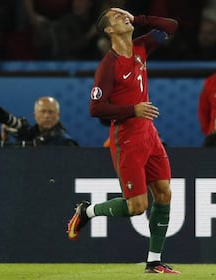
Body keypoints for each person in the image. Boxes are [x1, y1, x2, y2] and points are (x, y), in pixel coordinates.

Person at [67, 8, 180, 274]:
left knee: (164, 192)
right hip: (126, 138)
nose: (124, 17)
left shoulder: (142, 47)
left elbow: (172, 25)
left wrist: (138, 18)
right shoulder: (109, 65)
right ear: (108, 30)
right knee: (137, 206)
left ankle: (154, 261)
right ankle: (87, 211)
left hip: (149, 134)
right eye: (117, 17)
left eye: (124, 14)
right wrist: (133, 109)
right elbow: (96, 108)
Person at [0, 96, 78, 146]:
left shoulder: (65, 142)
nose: (46, 116)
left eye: (51, 112)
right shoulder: (27, 136)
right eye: (43, 112)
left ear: (58, 115)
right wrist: (4, 139)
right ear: (35, 115)